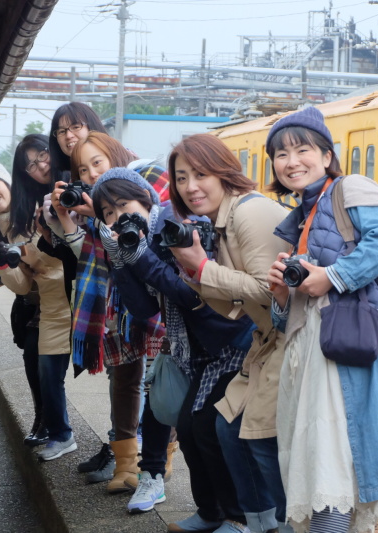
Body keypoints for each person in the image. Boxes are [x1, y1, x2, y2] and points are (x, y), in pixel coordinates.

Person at [265, 107, 378, 533]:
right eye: (280, 154)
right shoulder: (301, 215)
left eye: (302, 149)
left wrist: (330, 276)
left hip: (338, 348)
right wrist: (281, 294)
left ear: (327, 155)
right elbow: (291, 315)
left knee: (330, 465)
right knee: (319, 466)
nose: (291, 161)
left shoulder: (352, 188)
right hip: (309, 350)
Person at [92, 166, 255, 524]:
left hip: (230, 341)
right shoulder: (135, 240)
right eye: (107, 212)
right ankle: (210, 512)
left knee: (210, 431)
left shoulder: (175, 226)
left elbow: (189, 293)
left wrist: (139, 258)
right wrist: (120, 260)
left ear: (146, 199)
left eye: (123, 204)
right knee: (193, 432)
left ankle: (238, 519)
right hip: (194, 348)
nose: (118, 216)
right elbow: (145, 308)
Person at [166, 134, 291, 533]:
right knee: (226, 426)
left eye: (200, 174)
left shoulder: (248, 213)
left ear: (224, 172)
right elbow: (233, 306)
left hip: (291, 340)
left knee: (251, 433)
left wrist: (202, 269)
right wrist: (194, 270)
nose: (190, 186)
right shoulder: (220, 222)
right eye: (182, 178)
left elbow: (267, 289)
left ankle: (281, 522)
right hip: (267, 339)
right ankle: (258, 522)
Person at [44, 133, 168, 494]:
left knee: (162, 376)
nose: (92, 172)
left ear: (114, 154)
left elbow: (153, 219)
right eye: (83, 168)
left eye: (98, 162)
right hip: (116, 299)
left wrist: (100, 213)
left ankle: (162, 460)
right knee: (124, 378)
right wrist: (69, 219)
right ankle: (126, 464)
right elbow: (87, 251)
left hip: (156, 292)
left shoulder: (145, 175)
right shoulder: (96, 203)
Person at [0, 160, 75, 461]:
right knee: (43, 367)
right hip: (46, 304)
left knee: (121, 374)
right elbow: (23, 286)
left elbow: (57, 249)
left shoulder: (34, 208)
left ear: (7, 181)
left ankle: (120, 448)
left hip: (73, 295)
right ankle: (59, 433)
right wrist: (3, 265)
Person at [48, 101, 109, 184]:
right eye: (62, 131)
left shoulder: (126, 166)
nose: (68, 136)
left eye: (76, 127)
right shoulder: (70, 182)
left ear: (92, 126)